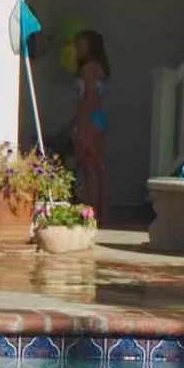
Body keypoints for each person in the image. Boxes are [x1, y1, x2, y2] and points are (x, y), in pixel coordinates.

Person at [72, 30, 110, 224]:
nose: (76, 50)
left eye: (80, 46)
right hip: (100, 118)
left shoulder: (87, 68)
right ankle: (102, 215)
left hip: (90, 119)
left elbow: (90, 98)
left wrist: (82, 125)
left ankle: (92, 215)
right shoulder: (100, 68)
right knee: (99, 168)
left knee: (89, 168)